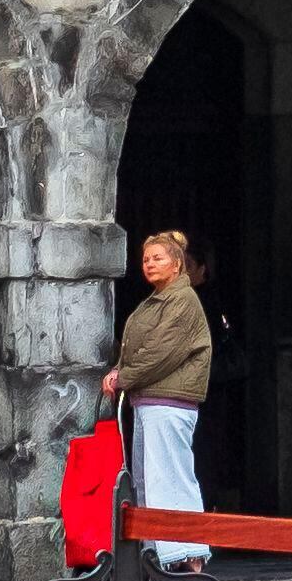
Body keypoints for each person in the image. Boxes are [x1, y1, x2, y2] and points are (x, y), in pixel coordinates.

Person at [105, 224, 211, 525]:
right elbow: (138, 347)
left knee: (171, 479)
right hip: (149, 401)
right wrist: (118, 370)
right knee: (147, 481)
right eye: (146, 259)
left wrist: (122, 377)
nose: (149, 264)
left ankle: (188, 552)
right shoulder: (156, 301)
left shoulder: (183, 300)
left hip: (169, 401)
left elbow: (160, 352)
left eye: (158, 259)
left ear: (177, 264)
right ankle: (156, 551)